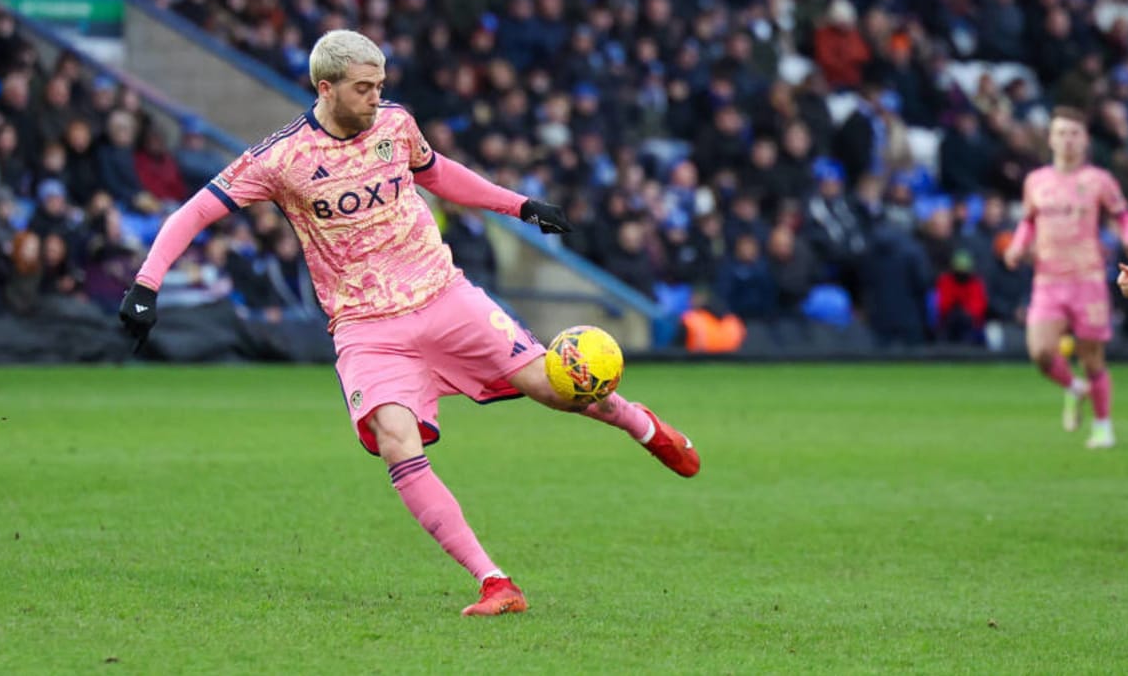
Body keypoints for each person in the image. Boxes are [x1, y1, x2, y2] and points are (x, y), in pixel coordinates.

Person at [118, 30, 700, 616]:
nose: (376, 97)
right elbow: (192, 212)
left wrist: (519, 205)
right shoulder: (282, 159)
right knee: (397, 443)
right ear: (326, 88)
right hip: (367, 328)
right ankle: (495, 583)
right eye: (364, 88)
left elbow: (439, 173)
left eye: (381, 85)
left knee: (555, 387)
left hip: (445, 297)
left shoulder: (396, 125)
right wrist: (146, 284)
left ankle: (642, 426)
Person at [1002, 107, 1128, 449]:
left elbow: (1123, 216)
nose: (1067, 139)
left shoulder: (1099, 181)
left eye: (1074, 133)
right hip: (1048, 279)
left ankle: (1103, 426)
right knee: (1040, 353)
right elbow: (1029, 221)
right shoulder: (1036, 181)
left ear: (1085, 140)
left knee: (1092, 356)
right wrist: (1018, 246)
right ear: (1050, 138)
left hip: (1088, 278)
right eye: (1061, 132)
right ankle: (1074, 388)